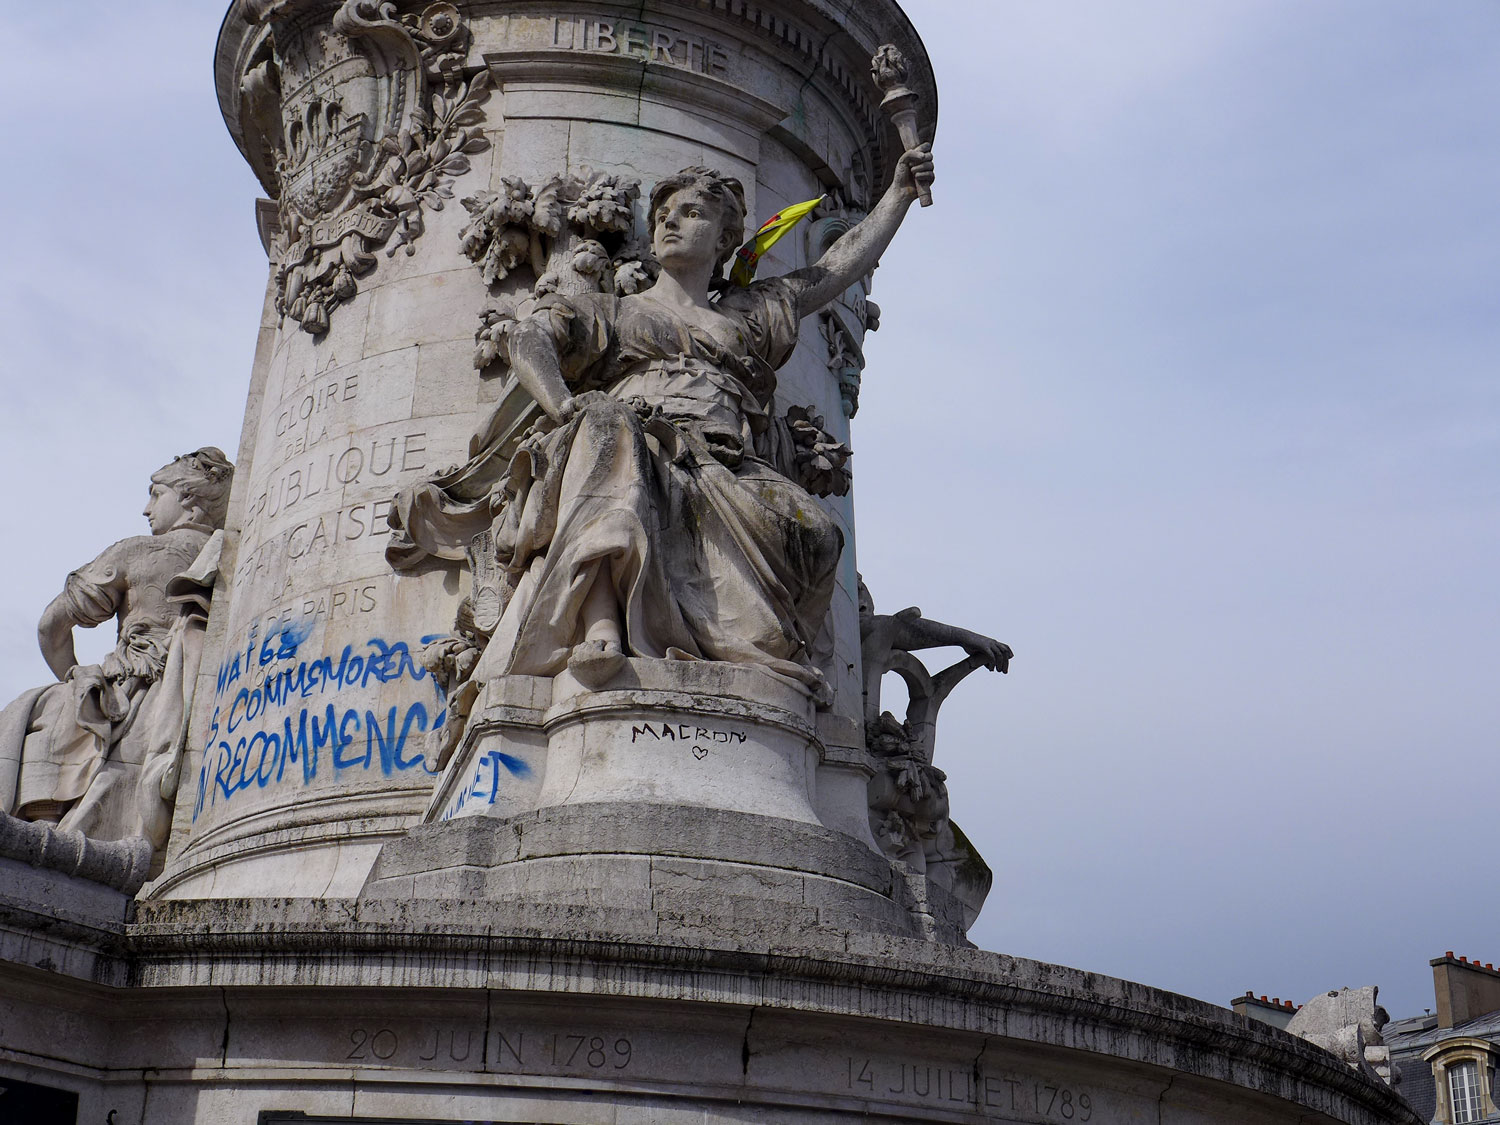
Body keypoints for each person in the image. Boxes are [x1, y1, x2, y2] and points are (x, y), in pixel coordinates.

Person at [396, 146, 937, 702]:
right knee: (611, 430)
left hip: (727, 461)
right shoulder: (615, 311)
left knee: (820, 536)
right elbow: (529, 338)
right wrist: (563, 405)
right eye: (661, 218)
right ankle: (603, 620)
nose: (669, 224)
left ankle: (756, 656)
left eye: (691, 214)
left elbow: (832, 269)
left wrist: (896, 196)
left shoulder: (750, 315)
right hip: (642, 437)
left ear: (727, 239)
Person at [0, 448, 233, 842]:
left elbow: (50, 627)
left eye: (156, 494)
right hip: (201, 698)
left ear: (188, 498)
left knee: (43, 710)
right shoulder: (236, 557)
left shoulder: (138, 551)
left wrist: (78, 681)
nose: (147, 508)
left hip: (127, 693)